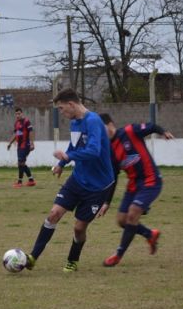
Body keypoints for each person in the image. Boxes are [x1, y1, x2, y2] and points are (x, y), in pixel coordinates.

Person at [21, 89, 115, 273]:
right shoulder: (74, 123)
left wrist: (68, 156)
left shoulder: (93, 121)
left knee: (79, 228)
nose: (61, 113)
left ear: (71, 104)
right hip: (78, 179)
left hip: (98, 185)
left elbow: (94, 151)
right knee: (53, 214)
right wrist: (61, 164)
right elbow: (74, 146)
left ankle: (73, 259)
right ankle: (32, 257)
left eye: (62, 108)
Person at [100, 114, 174, 267]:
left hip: (151, 180)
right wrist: (107, 201)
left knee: (133, 214)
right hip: (133, 185)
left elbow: (151, 126)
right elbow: (114, 177)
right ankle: (150, 234)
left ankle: (118, 255)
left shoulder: (130, 131)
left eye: (101, 128)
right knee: (122, 220)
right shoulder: (110, 150)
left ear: (110, 124)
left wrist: (163, 132)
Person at [7, 106, 36, 187]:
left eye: (19, 114)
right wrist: (10, 143)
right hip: (19, 146)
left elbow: (31, 132)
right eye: (16, 114)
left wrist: (32, 143)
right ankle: (31, 180)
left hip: (25, 145)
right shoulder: (16, 123)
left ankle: (19, 182)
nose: (17, 115)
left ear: (22, 113)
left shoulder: (26, 121)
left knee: (20, 163)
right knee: (22, 163)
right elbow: (15, 134)